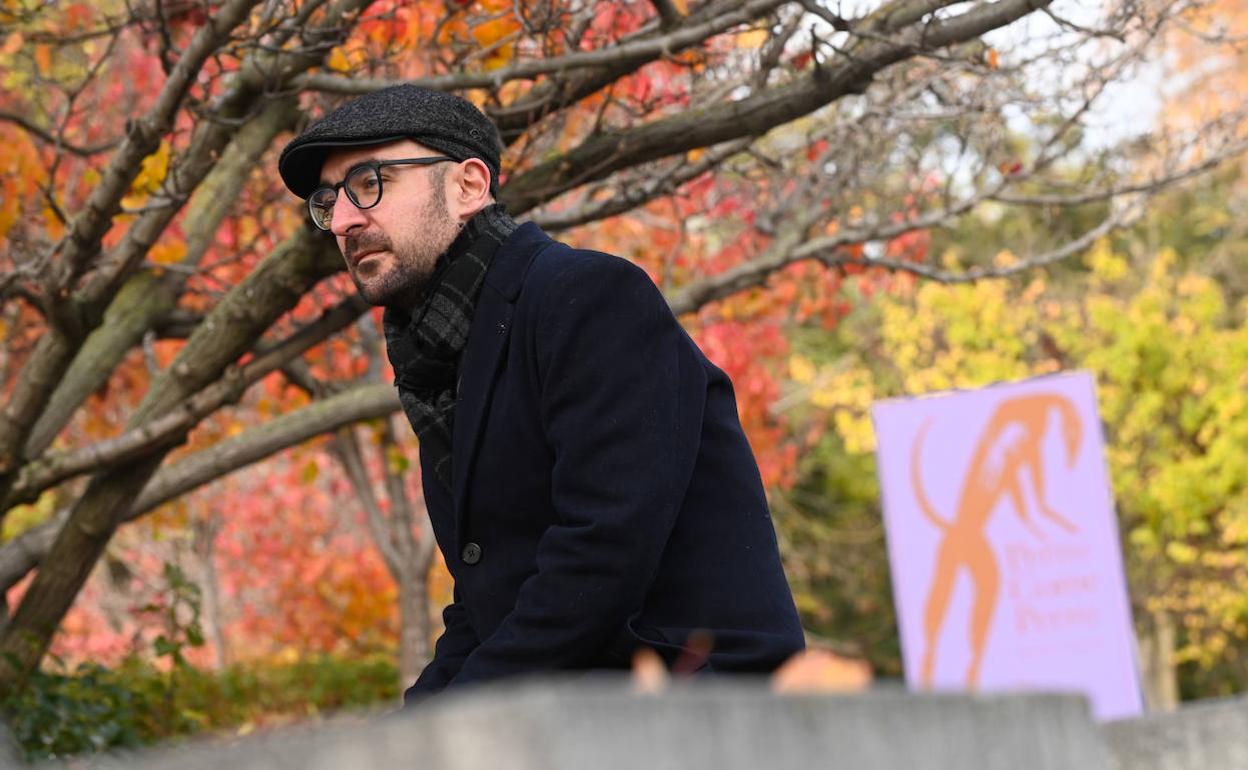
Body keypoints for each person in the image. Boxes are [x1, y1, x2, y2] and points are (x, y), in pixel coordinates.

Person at [278, 85, 805, 701]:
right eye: (328, 202)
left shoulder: (588, 297)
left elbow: (601, 555)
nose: (343, 220)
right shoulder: (438, 359)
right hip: (590, 700)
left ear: (468, 186)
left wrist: (449, 723)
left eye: (370, 182)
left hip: (707, 707)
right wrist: (406, 731)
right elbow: (488, 604)